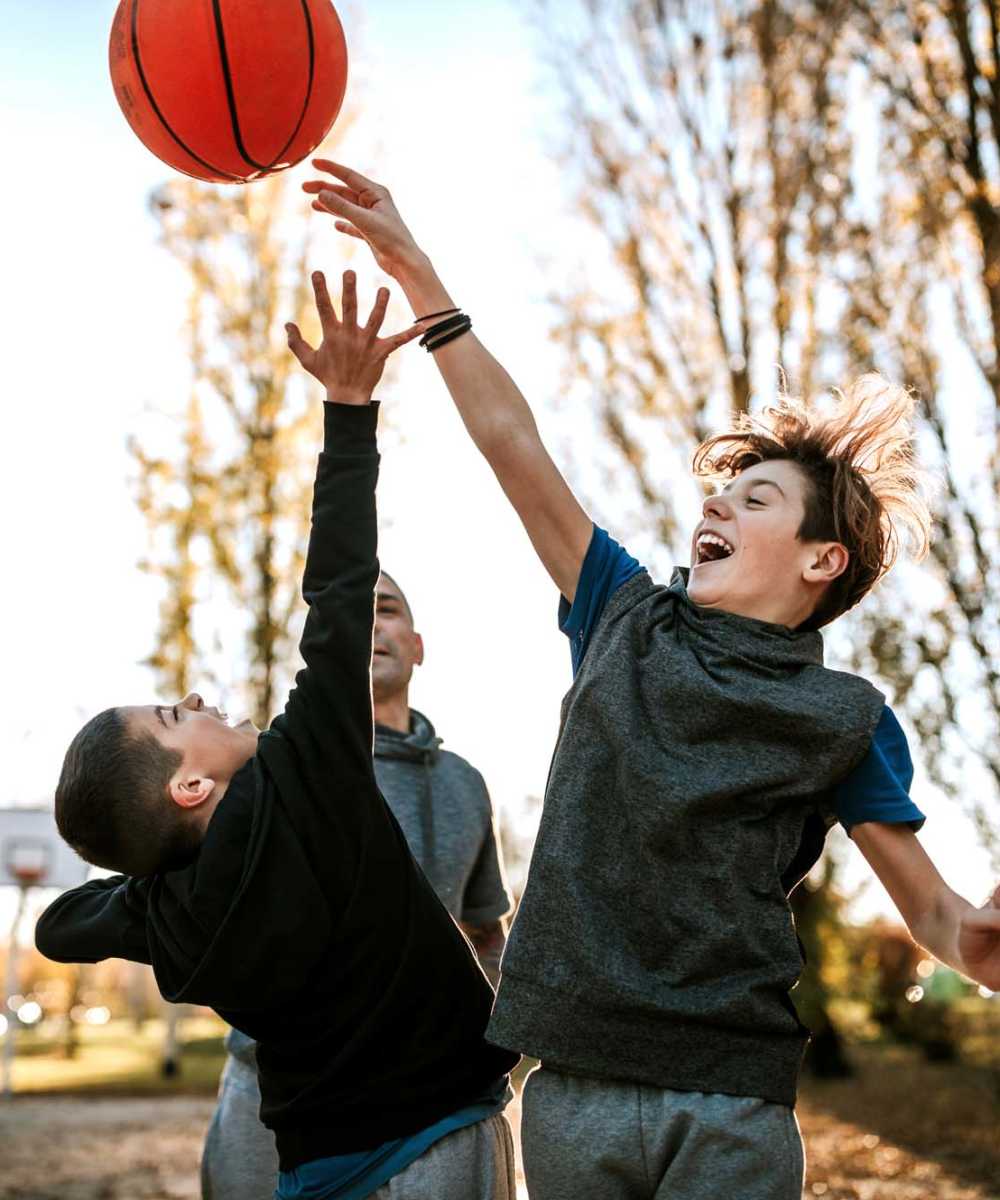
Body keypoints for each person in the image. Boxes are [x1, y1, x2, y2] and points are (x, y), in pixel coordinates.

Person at [303, 161, 1000, 1200]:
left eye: (754, 497)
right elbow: (513, 447)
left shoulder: (846, 720)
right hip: (571, 1086)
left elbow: (937, 917)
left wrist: (978, 943)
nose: (713, 509)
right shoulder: (622, 614)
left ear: (822, 561)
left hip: (728, 1100)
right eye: (719, 494)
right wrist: (418, 274)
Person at [35, 271, 519, 1200]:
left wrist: (148, 879)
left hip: (314, 1168)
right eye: (177, 718)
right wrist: (348, 407)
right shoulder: (308, 776)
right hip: (436, 1135)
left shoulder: (168, 918)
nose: (197, 697)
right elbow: (339, 584)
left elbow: (59, 928)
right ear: (189, 788)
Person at [203, 568, 511, 1200]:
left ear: (417, 646)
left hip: (429, 1102)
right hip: (274, 1093)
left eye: (389, 609)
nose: (371, 623)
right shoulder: (269, 771)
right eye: (357, 612)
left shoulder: (465, 783)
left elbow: (484, 931)